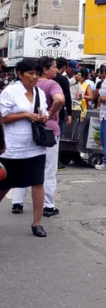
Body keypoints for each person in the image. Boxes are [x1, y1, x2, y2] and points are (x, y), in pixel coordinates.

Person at [11, 56, 65, 218]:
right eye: (54, 67)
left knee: (22, 166)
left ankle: (17, 202)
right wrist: (51, 113)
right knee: (48, 169)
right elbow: (59, 99)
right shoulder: (51, 84)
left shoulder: (24, 86)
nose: (56, 70)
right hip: (47, 132)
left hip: (27, 130)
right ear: (45, 69)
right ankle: (48, 205)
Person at [1, 58, 49, 237]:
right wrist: (26, 115)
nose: (34, 77)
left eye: (37, 73)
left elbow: (44, 111)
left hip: (35, 146)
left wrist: (43, 117)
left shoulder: (39, 92)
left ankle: (37, 223)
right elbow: (2, 117)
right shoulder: (10, 92)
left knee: (38, 182)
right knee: (4, 184)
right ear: (20, 74)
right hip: (12, 147)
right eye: (30, 73)